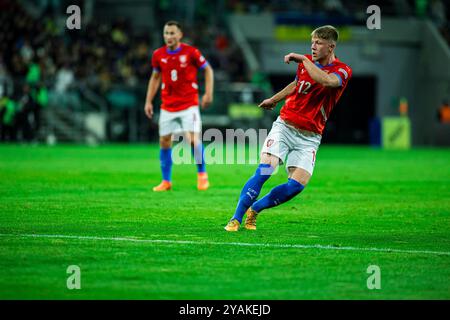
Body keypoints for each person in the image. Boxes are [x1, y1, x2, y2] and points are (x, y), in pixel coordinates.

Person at [225, 25, 352, 231]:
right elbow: (296, 83)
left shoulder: (342, 70)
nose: (313, 46)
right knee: (265, 170)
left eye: (318, 43)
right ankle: (235, 218)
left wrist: (304, 60)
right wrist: (274, 99)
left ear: (331, 46)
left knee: (296, 186)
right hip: (285, 127)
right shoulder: (306, 64)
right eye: (312, 42)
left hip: (310, 136)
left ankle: (255, 209)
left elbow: (327, 82)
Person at [144, 21, 214, 191]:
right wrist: (148, 101)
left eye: (172, 33)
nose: (169, 36)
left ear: (180, 35)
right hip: (167, 105)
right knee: (164, 141)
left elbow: (208, 70)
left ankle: (202, 176)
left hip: (189, 104)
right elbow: (155, 78)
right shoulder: (158, 55)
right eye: (166, 33)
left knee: (192, 139)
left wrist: (208, 93)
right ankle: (166, 181)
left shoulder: (191, 52)